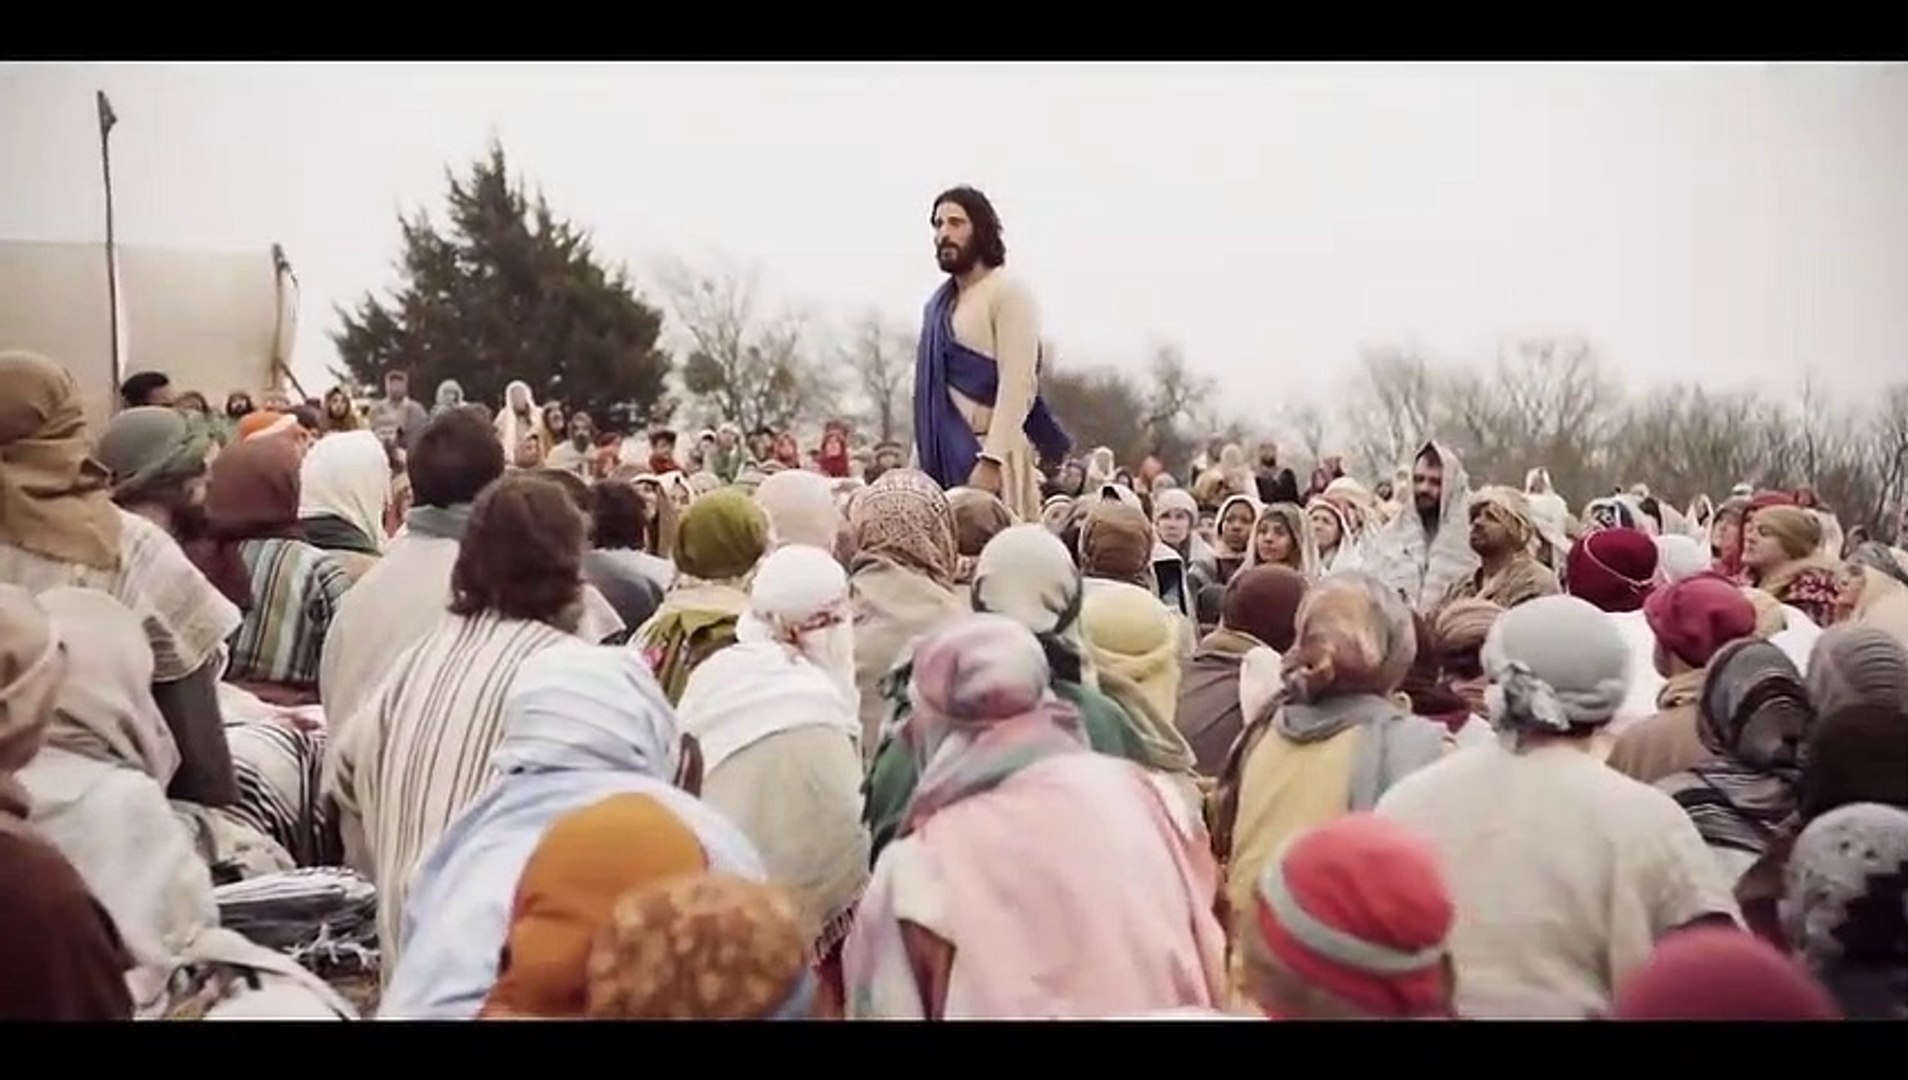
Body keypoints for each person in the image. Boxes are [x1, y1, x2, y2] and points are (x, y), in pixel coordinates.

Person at [911, 185, 1069, 522]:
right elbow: (931, 398)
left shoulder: (1008, 293)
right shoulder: (938, 307)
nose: (943, 234)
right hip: (937, 458)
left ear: (980, 229)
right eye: (937, 225)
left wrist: (991, 460)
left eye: (956, 223)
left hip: (993, 458)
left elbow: (1018, 385)